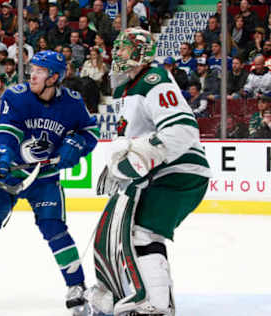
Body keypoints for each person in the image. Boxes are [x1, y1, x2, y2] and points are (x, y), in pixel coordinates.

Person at [0, 50, 99, 315]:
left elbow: (90, 130)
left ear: (54, 77)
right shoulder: (16, 95)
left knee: (54, 228)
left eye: (39, 71)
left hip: (44, 178)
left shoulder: (73, 102)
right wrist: (4, 153)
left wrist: (76, 144)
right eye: (32, 69)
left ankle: (76, 286)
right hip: (8, 174)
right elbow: (7, 129)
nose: (32, 75)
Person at [88, 28, 211, 316]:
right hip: (161, 173)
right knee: (128, 233)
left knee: (143, 233)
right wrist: (121, 168)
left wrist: (139, 156)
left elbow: (181, 131)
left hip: (179, 170)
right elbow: (140, 137)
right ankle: (143, 296)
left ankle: (156, 304)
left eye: (124, 49)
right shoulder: (127, 89)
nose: (116, 54)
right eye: (116, 48)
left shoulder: (154, 80)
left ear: (141, 52)